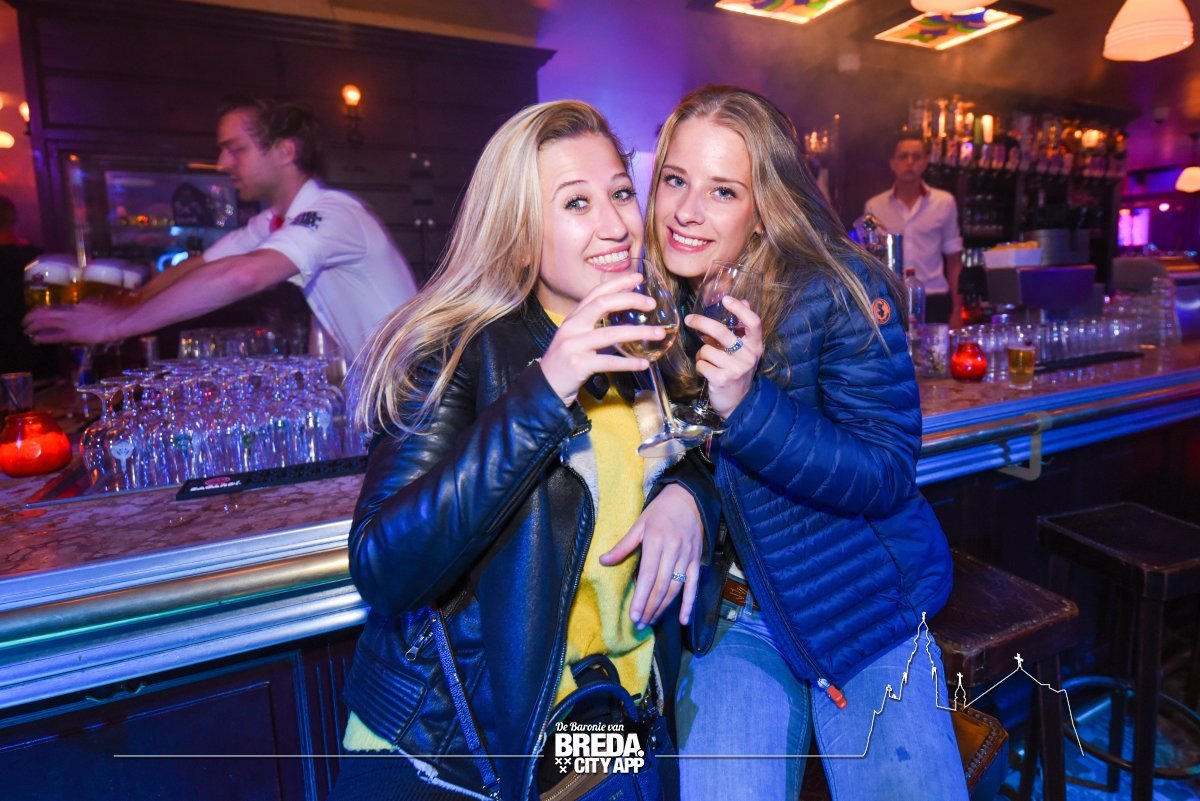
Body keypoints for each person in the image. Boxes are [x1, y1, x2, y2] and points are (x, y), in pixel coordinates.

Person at [326, 100, 720, 801]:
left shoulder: (647, 339)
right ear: (517, 231)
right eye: (576, 203)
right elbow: (384, 568)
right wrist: (546, 390)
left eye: (620, 193)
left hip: (600, 727)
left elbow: (697, 452)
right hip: (450, 752)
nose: (615, 225)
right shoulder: (454, 350)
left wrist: (691, 495)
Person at [646, 85, 964, 800]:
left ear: (764, 206)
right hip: (733, 614)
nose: (687, 211)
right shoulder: (659, 301)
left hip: (859, 605)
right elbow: (690, 452)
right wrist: (680, 492)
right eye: (674, 180)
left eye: (722, 191)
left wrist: (748, 404)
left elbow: (886, 469)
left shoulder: (840, 287)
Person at [24, 96, 416, 360]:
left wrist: (115, 326)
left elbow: (244, 274)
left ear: (285, 151)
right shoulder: (271, 222)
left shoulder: (335, 212)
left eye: (236, 149)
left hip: (418, 394)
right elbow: (201, 265)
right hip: (385, 395)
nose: (223, 163)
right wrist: (130, 303)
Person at [864, 133, 964, 325]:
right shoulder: (875, 206)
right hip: (891, 299)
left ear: (926, 162)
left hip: (934, 298)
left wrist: (958, 309)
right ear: (893, 163)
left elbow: (954, 260)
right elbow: (869, 263)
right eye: (903, 156)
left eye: (916, 157)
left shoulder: (944, 202)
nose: (910, 162)